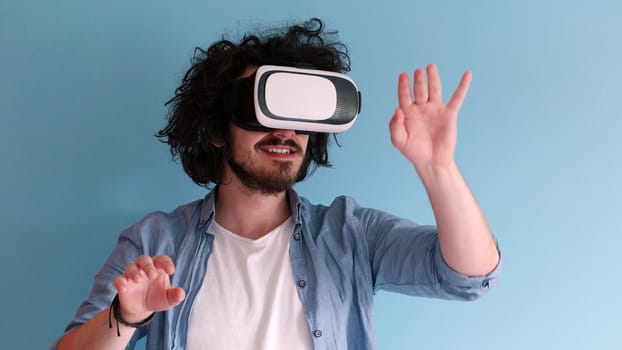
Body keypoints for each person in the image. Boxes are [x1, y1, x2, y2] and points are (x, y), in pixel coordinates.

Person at [53, 18, 501, 350]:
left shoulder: (351, 235)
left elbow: (469, 277)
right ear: (215, 129)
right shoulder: (155, 242)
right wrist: (125, 316)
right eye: (262, 111)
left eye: (297, 116)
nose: (284, 132)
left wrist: (437, 167)